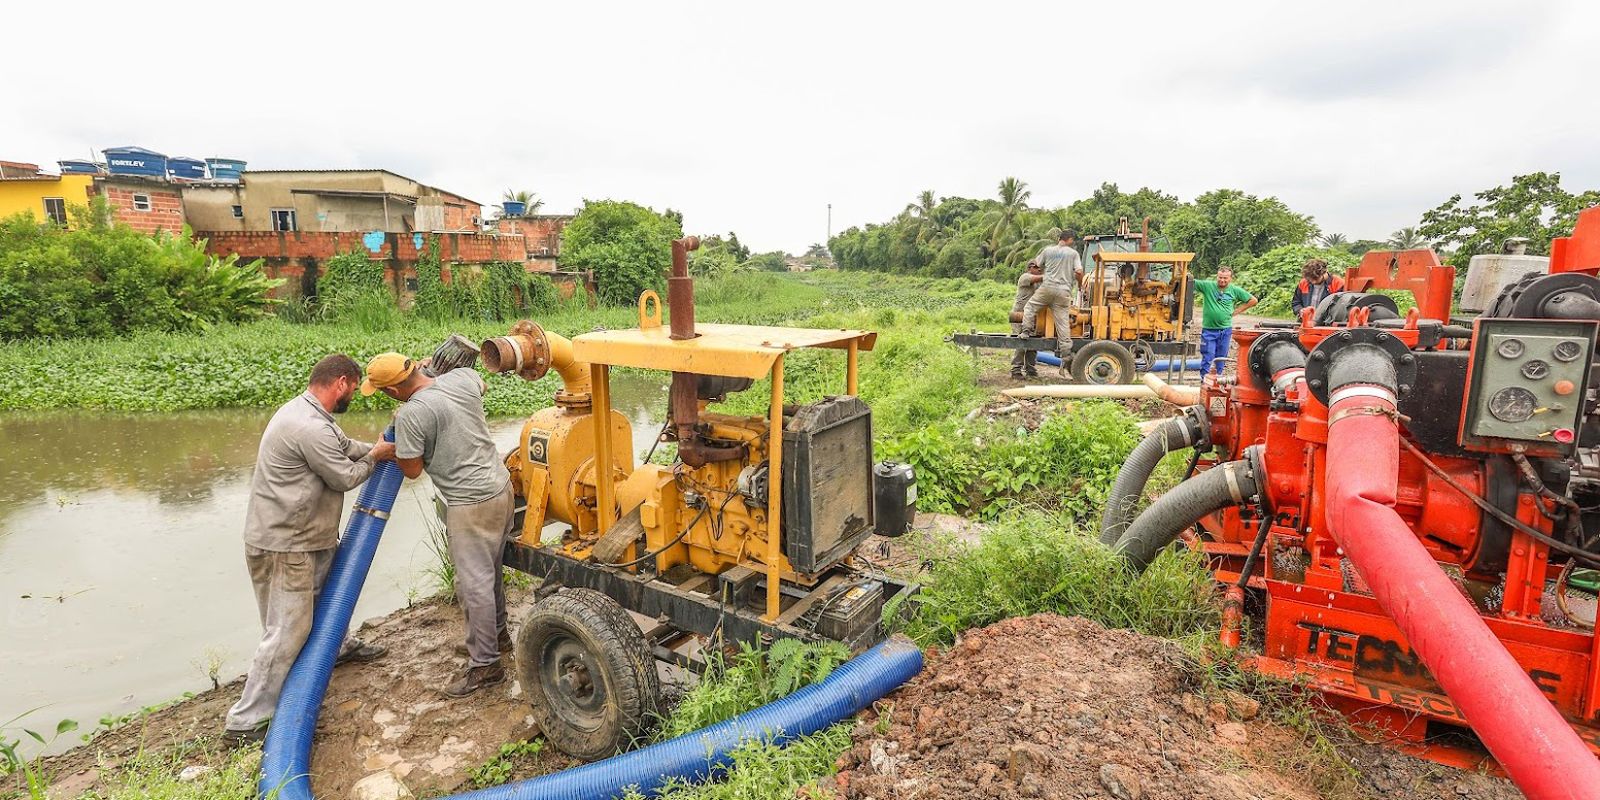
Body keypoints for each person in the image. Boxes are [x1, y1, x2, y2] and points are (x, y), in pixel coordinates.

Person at [224, 354, 396, 746]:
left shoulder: (310, 415)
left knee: (329, 596)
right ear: (340, 383)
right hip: (286, 544)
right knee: (287, 630)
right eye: (353, 388)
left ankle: (339, 644)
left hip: (304, 536)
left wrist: (374, 447)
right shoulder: (308, 427)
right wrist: (377, 456)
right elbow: (344, 476)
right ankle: (246, 721)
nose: (354, 394)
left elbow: (346, 446)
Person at [362, 352, 515, 698]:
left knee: (473, 583)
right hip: (501, 489)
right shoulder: (461, 379)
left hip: (469, 503)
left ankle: (486, 665)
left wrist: (390, 450)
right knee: (489, 572)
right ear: (416, 366)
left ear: (393, 391)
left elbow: (413, 470)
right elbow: (482, 382)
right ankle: (497, 636)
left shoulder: (412, 414)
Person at [1022, 229, 1083, 370]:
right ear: (1070, 240)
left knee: (1030, 307)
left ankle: (1026, 331)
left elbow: (1037, 264)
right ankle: (1066, 351)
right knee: (1062, 321)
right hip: (1064, 291)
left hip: (1047, 287)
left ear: (1059, 239)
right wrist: (1079, 284)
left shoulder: (1048, 250)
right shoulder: (1073, 254)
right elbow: (1079, 271)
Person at [1195, 267, 1258, 379]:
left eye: (1225, 278)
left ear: (1230, 278)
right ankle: (1204, 381)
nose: (1222, 280)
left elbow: (1253, 300)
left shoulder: (1234, 290)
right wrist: (1181, 268)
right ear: (1217, 276)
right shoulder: (1207, 286)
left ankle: (1218, 380)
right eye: (1220, 277)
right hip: (1209, 330)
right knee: (1208, 356)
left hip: (1225, 330)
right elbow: (1189, 281)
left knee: (1221, 357)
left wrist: (1238, 311)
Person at [1011, 260, 1044, 378]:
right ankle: (1015, 370)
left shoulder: (1038, 283)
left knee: (1033, 344)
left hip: (1032, 317)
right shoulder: (1025, 278)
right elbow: (1041, 278)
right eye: (1037, 267)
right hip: (1019, 316)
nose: (1039, 269)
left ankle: (1030, 369)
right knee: (1021, 343)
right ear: (1030, 268)